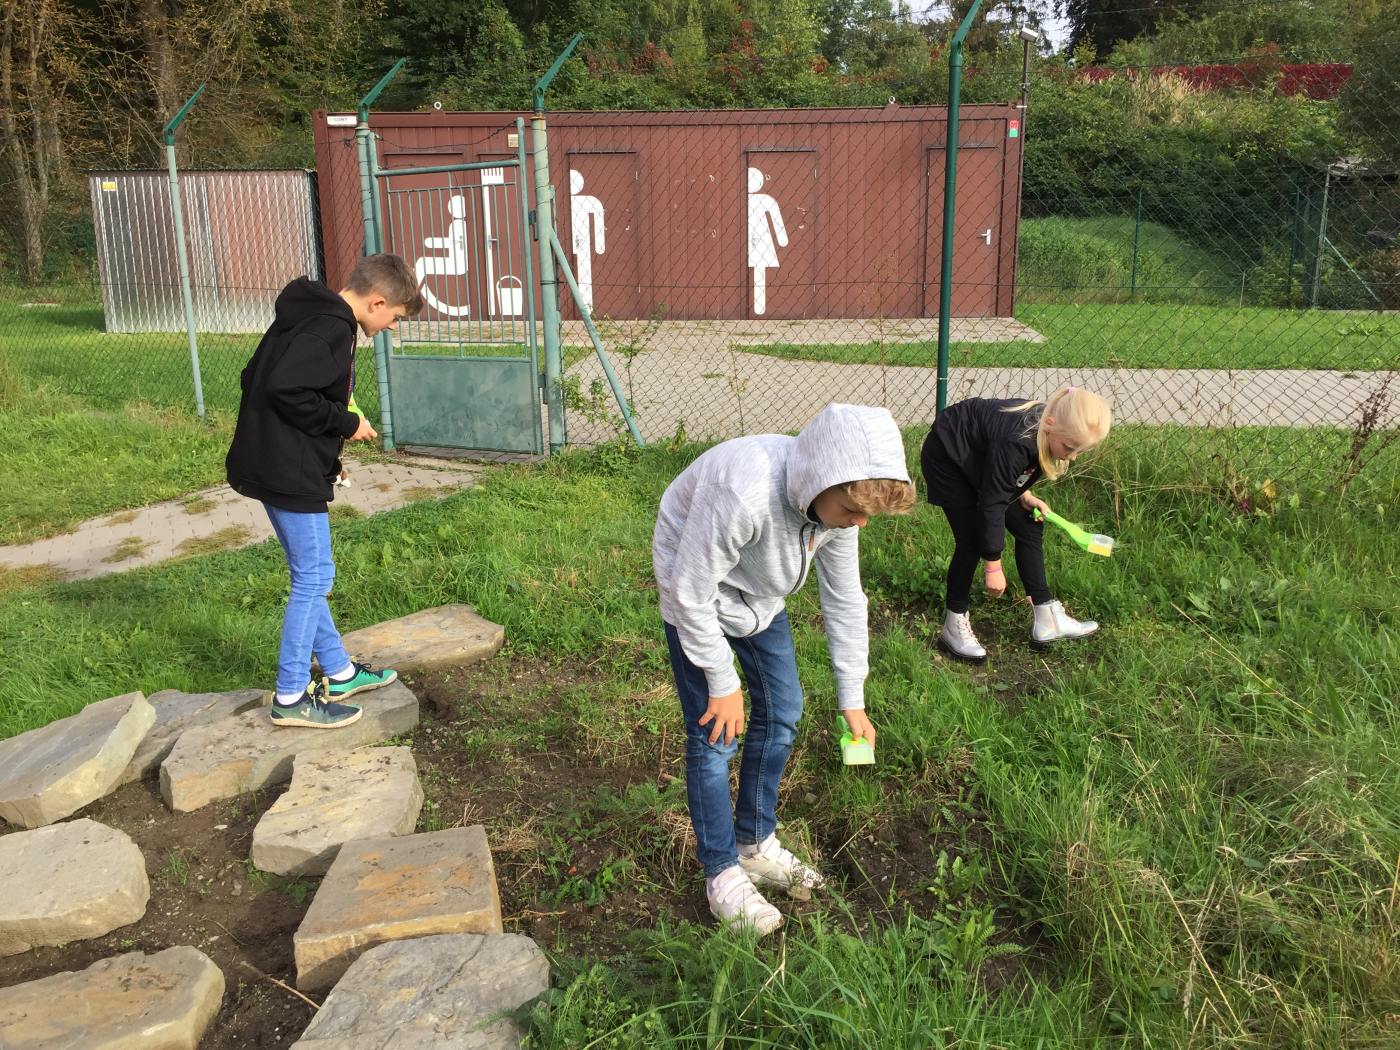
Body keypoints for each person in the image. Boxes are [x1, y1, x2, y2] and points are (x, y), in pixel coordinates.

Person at [653, 403, 916, 936]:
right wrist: (722, 683)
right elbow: (689, 591)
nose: (860, 524)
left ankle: (754, 843)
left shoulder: (840, 505)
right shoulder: (742, 492)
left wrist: (852, 697)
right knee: (715, 733)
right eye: (852, 511)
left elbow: (844, 598)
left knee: (784, 710)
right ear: (820, 482)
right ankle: (722, 872)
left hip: (759, 599)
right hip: (696, 597)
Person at [226, 254, 425, 728]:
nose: (392, 327)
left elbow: (255, 378)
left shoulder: (309, 313)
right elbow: (286, 390)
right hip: (285, 472)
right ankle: (291, 696)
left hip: (279, 463)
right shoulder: (331, 328)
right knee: (313, 579)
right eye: (394, 317)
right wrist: (345, 423)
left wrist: (323, 456)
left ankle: (338, 672)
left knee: (309, 574)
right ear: (377, 301)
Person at [919, 387, 1112, 663]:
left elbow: (1004, 471)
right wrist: (993, 565)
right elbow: (992, 501)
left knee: (1028, 524)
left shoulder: (1045, 432)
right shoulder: (1018, 441)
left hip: (978, 455)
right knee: (972, 540)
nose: (1071, 457)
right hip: (949, 455)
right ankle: (954, 625)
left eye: (1081, 451)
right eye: (1069, 448)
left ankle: (1046, 619)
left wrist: (1025, 495)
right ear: (1050, 424)